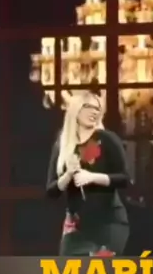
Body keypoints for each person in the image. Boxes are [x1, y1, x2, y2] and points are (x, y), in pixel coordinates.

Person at [46, 91, 130, 255]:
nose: (94, 111)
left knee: (99, 269)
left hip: (108, 223)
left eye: (97, 108)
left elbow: (125, 179)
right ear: (76, 111)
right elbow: (51, 191)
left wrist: (92, 178)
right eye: (88, 107)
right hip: (77, 227)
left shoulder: (107, 139)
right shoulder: (63, 144)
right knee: (69, 270)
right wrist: (68, 175)